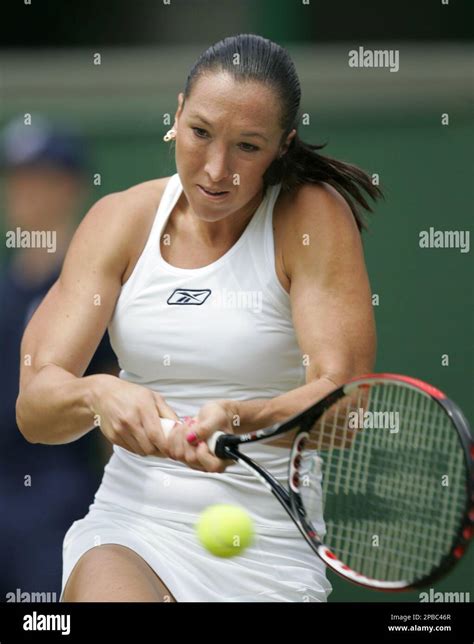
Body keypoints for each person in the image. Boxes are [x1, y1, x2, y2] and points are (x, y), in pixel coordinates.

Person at [16, 34, 380, 602]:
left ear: (283, 146)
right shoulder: (119, 220)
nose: (216, 170)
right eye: (201, 133)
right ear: (178, 112)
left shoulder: (311, 218)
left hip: (271, 548)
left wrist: (239, 417)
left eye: (248, 147)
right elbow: (36, 408)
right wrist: (98, 395)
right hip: (131, 528)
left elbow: (343, 407)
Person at [0, 115, 118, 601]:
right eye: (17, 178)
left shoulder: (94, 291)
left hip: (57, 494)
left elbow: (114, 397)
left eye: (40, 178)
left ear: (69, 187)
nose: (26, 192)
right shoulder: (6, 287)